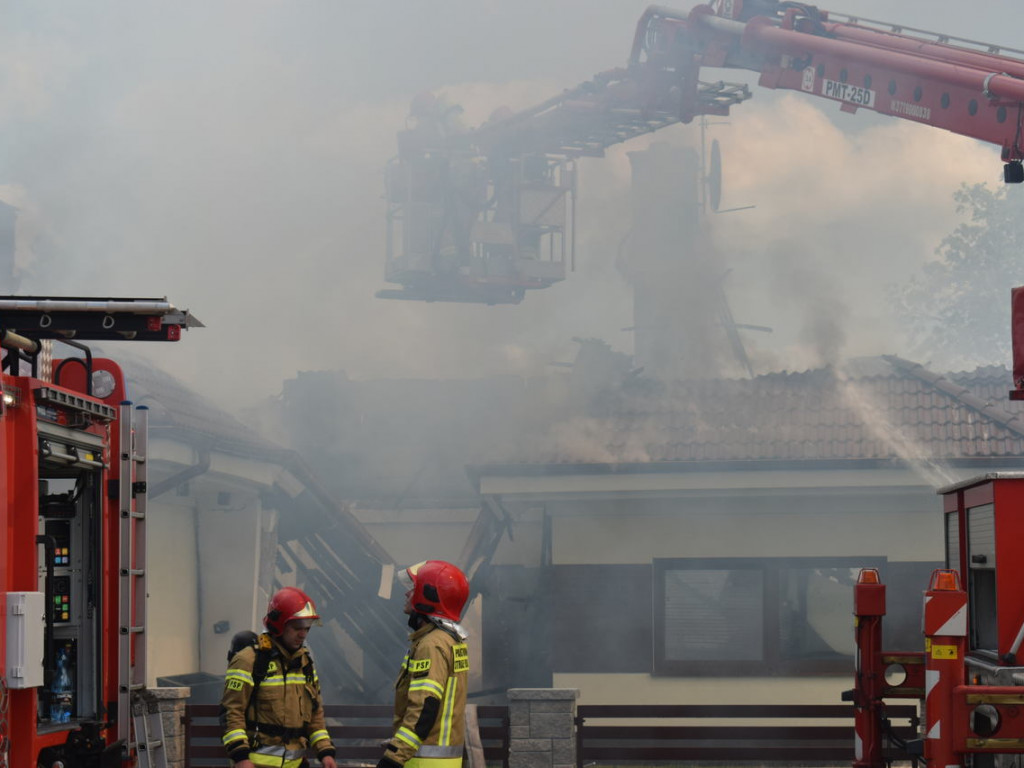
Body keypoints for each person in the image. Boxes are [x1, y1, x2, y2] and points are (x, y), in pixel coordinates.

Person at [220, 586, 337, 768]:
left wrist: (325, 752)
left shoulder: (305, 664)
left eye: (307, 628)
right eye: (297, 628)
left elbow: (315, 714)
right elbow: (232, 711)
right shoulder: (249, 660)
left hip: (295, 764)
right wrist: (241, 757)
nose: (303, 634)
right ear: (278, 626)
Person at [377, 561, 471, 768]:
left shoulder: (431, 645)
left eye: (413, 588)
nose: (406, 594)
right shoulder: (450, 640)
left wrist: (394, 757)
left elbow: (423, 709)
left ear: (427, 596)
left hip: (423, 761)